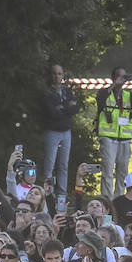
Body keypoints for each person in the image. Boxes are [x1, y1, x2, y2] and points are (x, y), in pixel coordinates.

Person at [93, 67, 132, 199]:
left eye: (124, 77)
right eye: (119, 77)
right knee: (108, 171)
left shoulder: (127, 95)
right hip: (108, 137)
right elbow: (100, 100)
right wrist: (113, 86)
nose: (122, 80)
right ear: (113, 78)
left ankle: (118, 200)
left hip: (124, 138)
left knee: (122, 172)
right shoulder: (105, 93)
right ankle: (107, 201)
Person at [39, 63, 82, 195]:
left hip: (66, 132)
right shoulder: (46, 92)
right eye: (54, 73)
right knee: (49, 166)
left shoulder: (67, 91)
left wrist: (61, 107)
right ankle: (48, 195)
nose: (57, 76)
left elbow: (75, 108)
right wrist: (67, 107)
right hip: (52, 132)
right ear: (50, 75)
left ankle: (62, 195)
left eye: (59, 73)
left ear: (63, 76)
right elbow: (51, 112)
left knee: (63, 165)